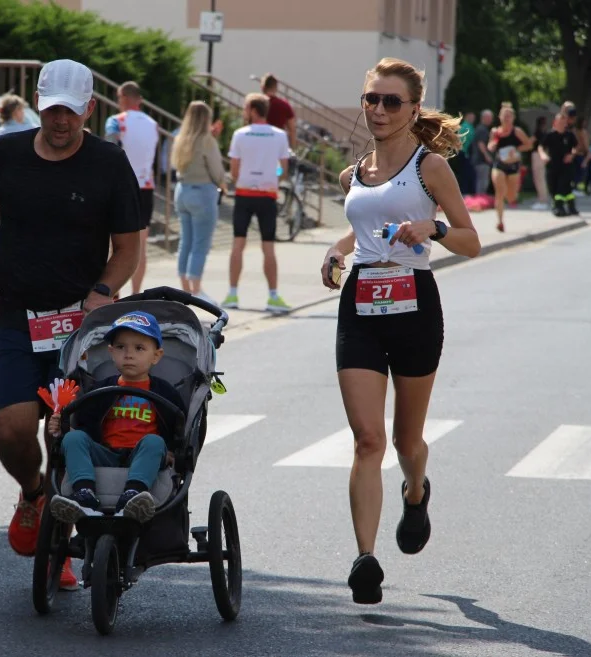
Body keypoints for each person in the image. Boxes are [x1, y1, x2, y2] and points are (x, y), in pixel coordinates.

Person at [0, 58, 142, 591]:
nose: (59, 121)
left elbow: (128, 247)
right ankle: (35, 493)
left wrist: (102, 293)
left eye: (70, 111)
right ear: (38, 104)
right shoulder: (6, 153)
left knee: (64, 436)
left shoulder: (109, 164)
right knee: (12, 430)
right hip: (18, 317)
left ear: (90, 108)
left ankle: (59, 547)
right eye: (50, 110)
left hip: (80, 328)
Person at [320, 57, 480, 605]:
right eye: (371, 99)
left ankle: (416, 490)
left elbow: (470, 239)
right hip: (360, 305)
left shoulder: (429, 167)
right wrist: (336, 251)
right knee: (369, 439)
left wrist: (432, 227)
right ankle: (366, 559)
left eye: (391, 101)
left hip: (415, 306)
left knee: (407, 440)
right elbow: (363, 229)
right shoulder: (355, 171)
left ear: (414, 108)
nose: (379, 110)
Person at [47, 311, 186, 524]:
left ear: (156, 356)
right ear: (111, 352)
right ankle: (85, 495)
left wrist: (173, 451)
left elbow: (178, 427)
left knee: (153, 441)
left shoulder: (165, 393)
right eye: (121, 347)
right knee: (72, 440)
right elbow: (84, 426)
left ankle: (133, 495)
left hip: (144, 456)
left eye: (139, 348)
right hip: (106, 452)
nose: (128, 354)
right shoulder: (101, 389)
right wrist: (63, 429)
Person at [222, 93, 291, 314]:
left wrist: (241, 179)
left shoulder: (240, 134)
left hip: (244, 193)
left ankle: (232, 293)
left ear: (253, 110)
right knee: (268, 246)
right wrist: (273, 177)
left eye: (245, 108)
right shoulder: (279, 135)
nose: (244, 112)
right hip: (268, 194)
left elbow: (234, 168)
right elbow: (283, 168)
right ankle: (273, 296)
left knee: (238, 244)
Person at [105, 81, 159, 296]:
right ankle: (136, 294)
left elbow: (109, 149)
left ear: (125, 97)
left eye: (119, 98)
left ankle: (112, 293)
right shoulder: (153, 123)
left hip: (121, 185)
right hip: (145, 187)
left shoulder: (115, 121)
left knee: (113, 244)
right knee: (139, 246)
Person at [171, 100, 227, 304]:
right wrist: (223, 182)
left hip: (182, 190)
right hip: (202, 192)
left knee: (185, 240)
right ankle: (196, 289)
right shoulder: (207, 140)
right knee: (200, 243)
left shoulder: (180, 138)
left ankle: (184, 288)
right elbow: (217, 171)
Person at [486, 103, 532, 232]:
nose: (506, 118)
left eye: (509, 116)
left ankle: (510, 196)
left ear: (513, 118)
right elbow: (490, 144)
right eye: (504, 116)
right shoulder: (495, 131)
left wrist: (516, 149)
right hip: (499, 165)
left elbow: (528, 145)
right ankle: (500, 222)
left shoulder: (517, 131)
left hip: (513, 166)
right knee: (500, 193)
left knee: (511, 196)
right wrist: (492, 146)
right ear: (500, 117)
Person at [539, 112, 579, 217]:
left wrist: (572, 155)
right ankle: (570, 206)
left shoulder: (569, 135)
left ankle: (559, 208)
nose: (561, 124)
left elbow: (576, 147)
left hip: (566, 166)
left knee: (561, 187)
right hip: (552, 166)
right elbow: (541, 147)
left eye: (563, 122)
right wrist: (543, 155)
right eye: (559, 121)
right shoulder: (549, 135)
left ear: (566, 123)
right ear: (555, 122)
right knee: (554, 188)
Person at [260, 73, 297, 150]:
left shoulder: (258, 103)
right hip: (278, 143)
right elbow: (292, 129)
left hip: (260, 142)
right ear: (276, 87)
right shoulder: (284, 105)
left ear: (263, 87)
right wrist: (292, 149)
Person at [529, 116, 551, 210]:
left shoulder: (538, 133)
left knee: (539, 178)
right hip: (543, 154)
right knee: (541, 177)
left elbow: (529, 143)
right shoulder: (545, 133)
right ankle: (542, 199)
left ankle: (543, 200)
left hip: (537, 155)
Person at [471, 109, 493, 195]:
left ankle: (481, 197)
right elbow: (481, 144)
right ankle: (480, 198)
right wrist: (487, 156)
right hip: (481, 160)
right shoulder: (482, 129)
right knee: (482, 180)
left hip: (479, 160)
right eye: (490, 118)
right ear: (485, 117)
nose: (491, 120)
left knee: (481, 179)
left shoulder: (481, 128)